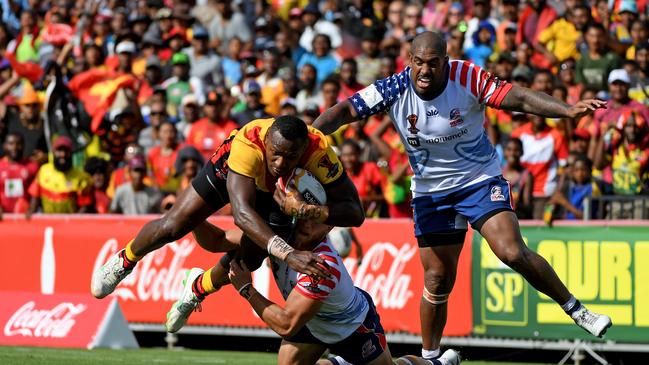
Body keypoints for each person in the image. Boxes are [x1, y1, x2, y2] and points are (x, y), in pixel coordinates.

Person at [312, 31, 611, 364]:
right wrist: (308, 141)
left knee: (511, 251)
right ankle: (431, 358)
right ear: (409, 60)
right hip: (430, 192)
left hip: (478, 179)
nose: (425, 71)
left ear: (446, 60)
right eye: (419, 62)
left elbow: (520, 99)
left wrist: (567, 111)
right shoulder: (393, 88)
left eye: (433, 63)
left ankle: (576, 309)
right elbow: (343, 112)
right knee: (437, 280)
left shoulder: (467, 76)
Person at [91, 116, 364, 308]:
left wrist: (307, 210)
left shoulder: (319, 151)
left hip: (279, 194)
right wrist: (288, 254)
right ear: (267, 140)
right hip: (234, 172)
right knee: (173, 226)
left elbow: (355, 213)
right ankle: (125, 260)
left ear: (303, 149)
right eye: (275, 153)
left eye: (290, 157)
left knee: (251, 259)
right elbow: (241, 213)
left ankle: (198, 288)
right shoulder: (249, 141)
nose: (280, 163)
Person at [27, 136, 92, 215]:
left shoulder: (81, 177)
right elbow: (35, 195)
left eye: (66, 151)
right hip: (47, 222)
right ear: (53, 152)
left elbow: (85, 206)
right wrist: (31, 212)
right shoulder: (44, 171)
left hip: (69, 223)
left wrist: (73, 222)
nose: (63, 154)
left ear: (71, 153)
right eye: (59, 150)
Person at [0, 132, 38, 220]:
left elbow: (36, 191)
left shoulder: (32, 166)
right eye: (11, 144)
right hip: (3, 217)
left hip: (25, 218)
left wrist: (32, 208)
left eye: (18, 144)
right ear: (5, 146)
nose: (15, 147)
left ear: (24, 145)